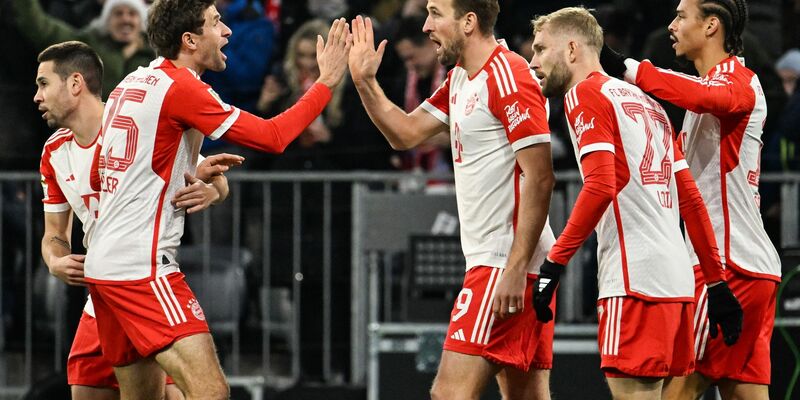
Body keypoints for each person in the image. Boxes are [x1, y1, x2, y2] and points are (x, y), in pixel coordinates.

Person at [83, 0, 351, 398]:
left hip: (104, 265)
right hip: (141, 267)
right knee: (211, 390)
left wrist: (198, 171)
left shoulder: (132, 82)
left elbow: (108, 169)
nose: (227, 31)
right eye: (215, 22)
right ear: (190, 40)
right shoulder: (183, 88)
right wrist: (326, 82)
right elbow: (273, 137)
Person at [529, 7, 744, 400]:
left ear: (572, 49)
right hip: (678, 286)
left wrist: (553, 263)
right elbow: (691, 200)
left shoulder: (584, 94)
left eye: (541, 49)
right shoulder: (648, 103)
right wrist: (715, 283)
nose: (533, 62)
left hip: (634, 282)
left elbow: (601, 185)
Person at [348, 0, 557, 397]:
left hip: (504, 261)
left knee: (449, 393)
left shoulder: (508, 75)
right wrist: (364, 82)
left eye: (435, 13)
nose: (426, 26)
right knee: (525, 393)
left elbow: (541, 176)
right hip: (508, 260)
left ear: (468, 22)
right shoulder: (462, 77)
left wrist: (514, 267)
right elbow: (406, 133)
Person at [35, 41, 242, 400]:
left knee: (187, 392)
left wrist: (214, 192)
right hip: (104, 291)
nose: (37, 96)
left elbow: (205, 170)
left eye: (43, 84)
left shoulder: (132, 123)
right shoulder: (54, 151)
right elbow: (54, 232)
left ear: (75, 83)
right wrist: (55, 259)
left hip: (144, 279)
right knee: (88, 394)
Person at [600, 0, 781, 398]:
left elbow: (700, 95)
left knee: (674, 391)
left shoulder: (737, 81)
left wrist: (625, 67)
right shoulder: (711, 90)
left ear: (712, 25)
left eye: (682, 16)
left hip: (727, 268)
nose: (671, 25)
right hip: (749, 267)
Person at [11, 0, 155, 99]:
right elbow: (42, 28)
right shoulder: (88, 44)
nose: (125, 19)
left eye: (132, 14)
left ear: (141, 22)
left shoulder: (156, 54)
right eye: (118, 13)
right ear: (106, 21)